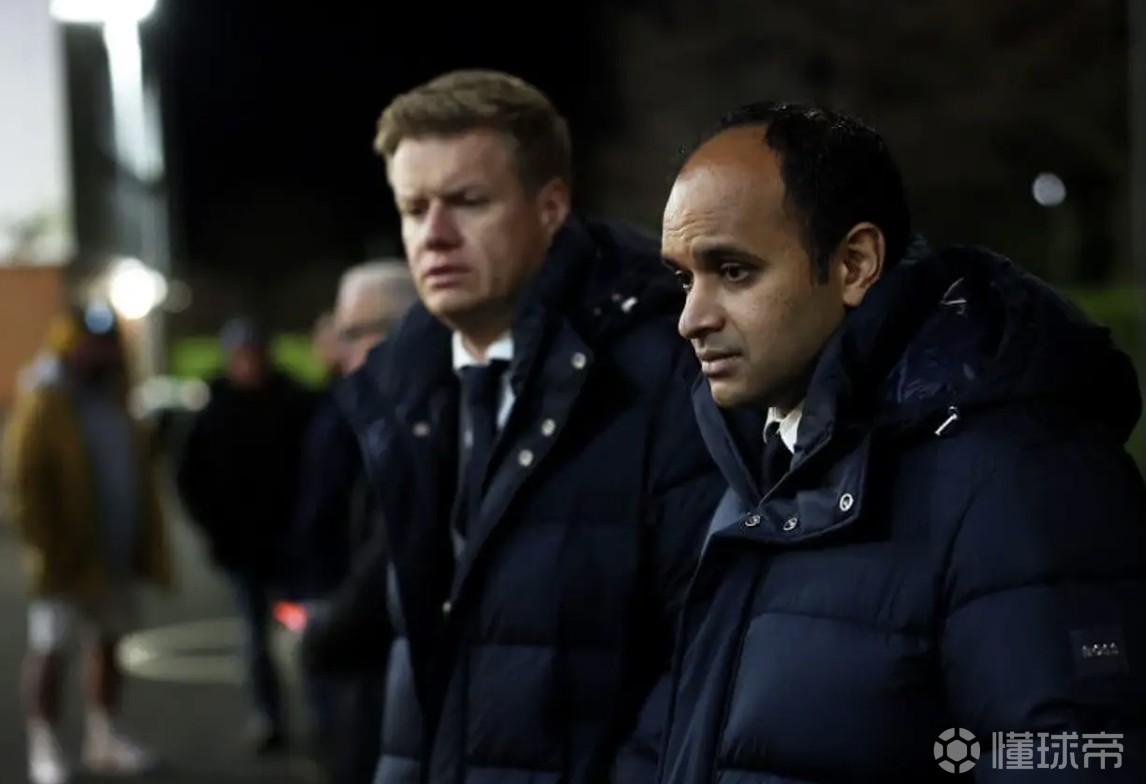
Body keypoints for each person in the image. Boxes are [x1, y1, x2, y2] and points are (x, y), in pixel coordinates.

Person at [656, 101, 1146, 782]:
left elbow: (1072, 757)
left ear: (855, 263)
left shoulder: (1022, 478)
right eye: (685, 278)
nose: (691, 318)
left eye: (734, 271)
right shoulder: (761, 465)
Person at [328, 69, 724, 784]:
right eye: (413, 208)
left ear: (550, 208)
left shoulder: (664, 370)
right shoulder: (403, 389)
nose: (434, 235)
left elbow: (705, 650)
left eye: (468, 202)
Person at [2, 303, 173, 784]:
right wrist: (46, 546)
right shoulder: (45, 397)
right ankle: (44, 745)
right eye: (92, 343)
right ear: (70, 343)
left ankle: (105, 738)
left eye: (106, 343)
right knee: (51, 649)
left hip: (114, 551)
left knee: (108, 643)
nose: (101, 352)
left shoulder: (115, 393)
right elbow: (24, 482)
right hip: (66, 557)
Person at [293, 262, 418, 784]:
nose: (337, 348)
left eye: (351, 333)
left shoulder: (408, 422)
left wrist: (323, 627)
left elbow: (388, 551)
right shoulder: (361, 408)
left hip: (373, 648)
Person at [174, 317, 315, 753]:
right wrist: (214, 530)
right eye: (242, 356)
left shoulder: (296, 404)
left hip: (293, 548)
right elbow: (189, 477)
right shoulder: (216, 410)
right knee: (255, 638)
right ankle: (268, 716)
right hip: (243, 551)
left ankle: (320, 716)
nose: (249, 364)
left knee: (304, 630)